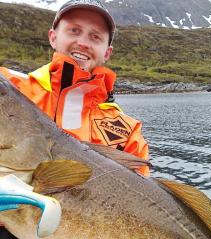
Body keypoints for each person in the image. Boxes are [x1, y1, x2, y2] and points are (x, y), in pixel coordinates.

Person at [0, 0, 149, 176]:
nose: (83, 42)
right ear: (53, 37)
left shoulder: (128, 132)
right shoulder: (9, 87)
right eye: (74, 30)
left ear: (107, 52)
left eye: (95, 36)